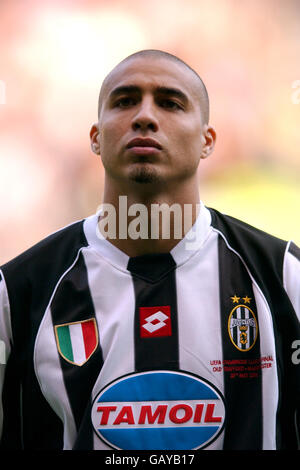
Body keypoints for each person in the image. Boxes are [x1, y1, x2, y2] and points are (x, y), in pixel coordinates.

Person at [0, 49, 299, 451]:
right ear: (95, 137)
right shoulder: (17, 292)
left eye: (170, 103)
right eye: (124, 101)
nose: (144, 116)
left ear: (207, 140)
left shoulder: (283, 277)